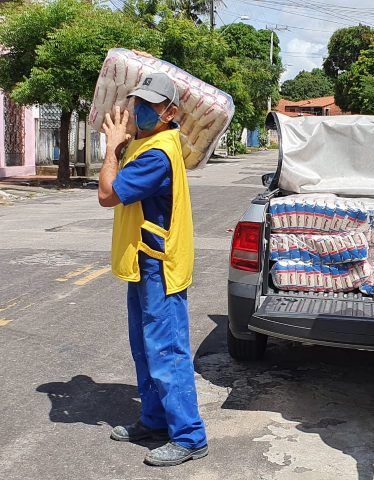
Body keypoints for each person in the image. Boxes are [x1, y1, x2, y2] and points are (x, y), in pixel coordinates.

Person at [98, 72, 208, 467]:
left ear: (170, 112)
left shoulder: (157, 153)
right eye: (137, 102)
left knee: (167, 351)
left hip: (159, 265)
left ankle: (189, 436)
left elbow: (108, 195)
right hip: (144, 261)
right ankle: (155, 419)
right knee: (144, 347)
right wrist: (124, 143)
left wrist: (111, 147)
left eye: (149, 105)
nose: (139, 110)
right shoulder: (149, 143)